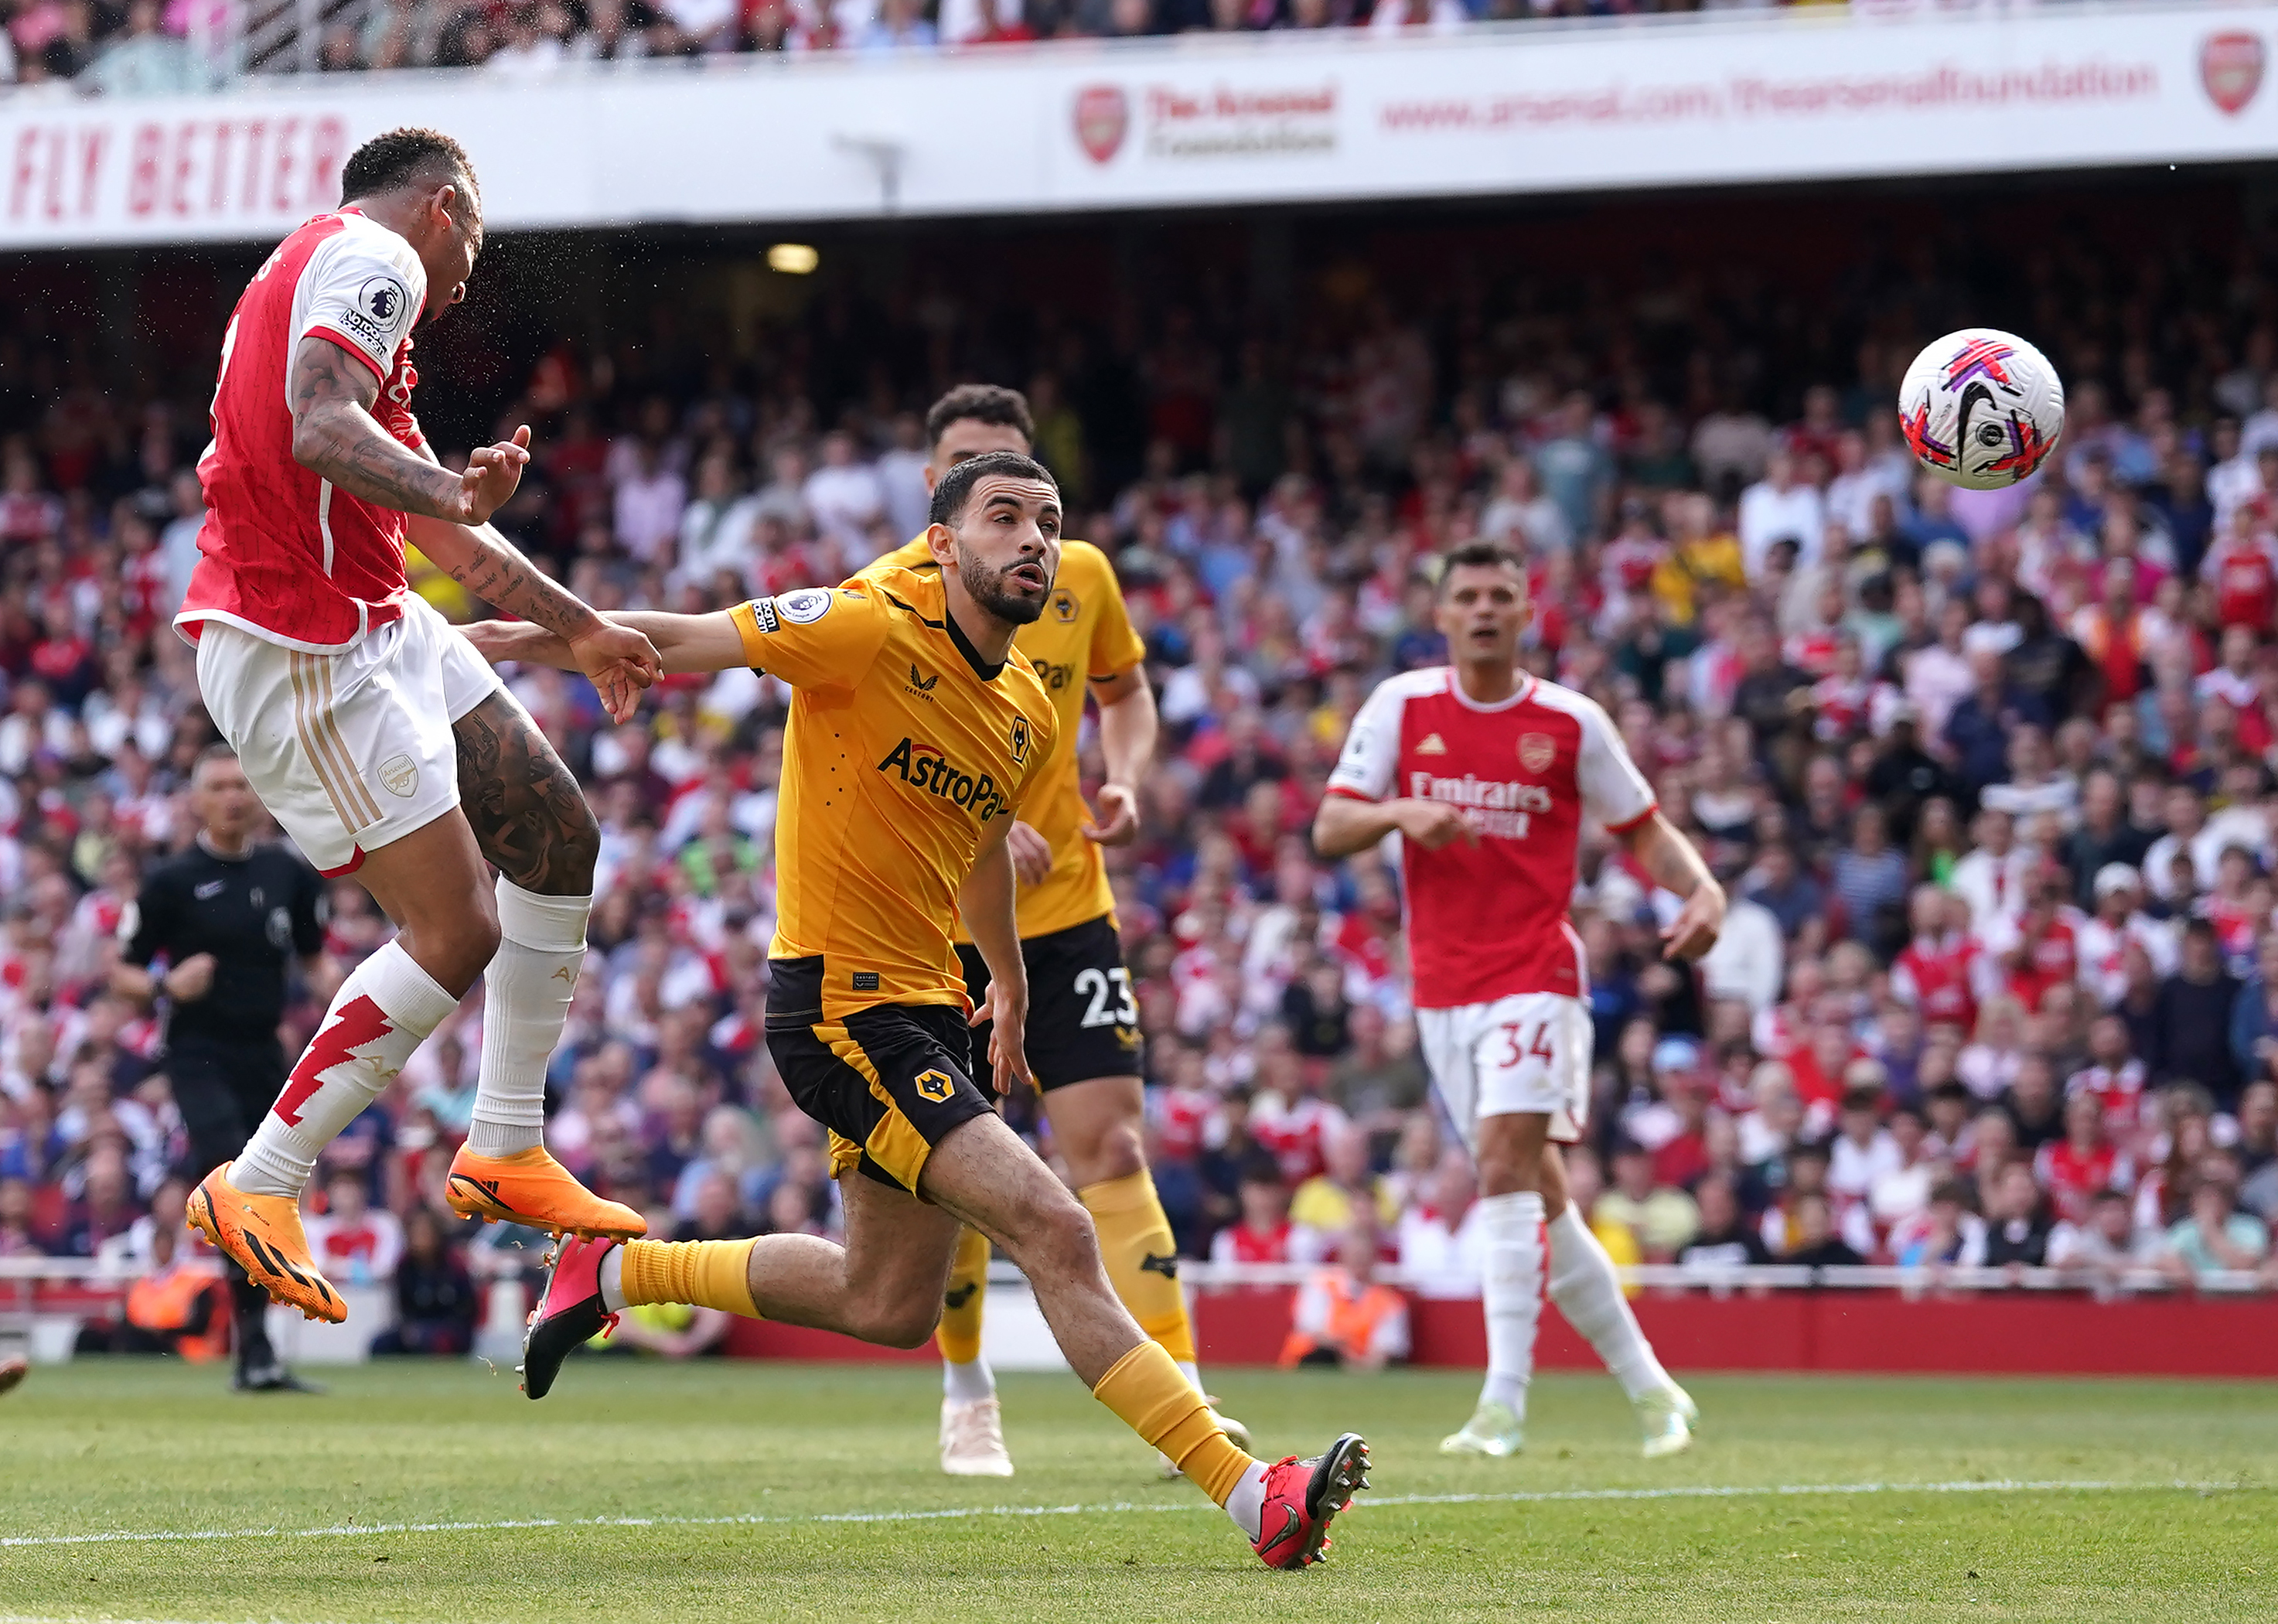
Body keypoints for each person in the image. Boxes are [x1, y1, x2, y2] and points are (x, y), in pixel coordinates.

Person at [479, 452, 1367, 1570]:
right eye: (1003, 518)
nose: (1033, 540)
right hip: (842, 1011)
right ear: (941, 543)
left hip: (931, 1007)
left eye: (1048, 521)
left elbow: (984, 845)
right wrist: (525, 639)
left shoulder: (1025, 712)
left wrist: (1009, 977)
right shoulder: (863, 625)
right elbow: (686, 634)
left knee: (886, 1301)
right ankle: (1253, 1496)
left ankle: (607, 1273)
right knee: (1055, 1227)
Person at [175, 126, 661, 1323]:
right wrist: (448, 489)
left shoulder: (325, 281)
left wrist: (581, 625)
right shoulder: (372, 262)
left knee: (556, 836)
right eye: (476, 246)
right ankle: (260, 1180)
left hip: (374, 621)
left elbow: (441, 532)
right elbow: (313, 423)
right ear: (443, 209)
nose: (466, 279)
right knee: (457, 927)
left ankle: (504, 1145)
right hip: (300, 645)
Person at [855, 384, 1242, 1478]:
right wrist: (977, 822)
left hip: (1068, 907)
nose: (1017, 519)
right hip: (936, 919)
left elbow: (1126, 693)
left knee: (1111, 1147)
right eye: (975, 476)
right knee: (970, 1173)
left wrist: (1123, 777)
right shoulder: (885, 597)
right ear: (937, 492)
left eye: (1026, 489)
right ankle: (965, 1389)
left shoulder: (1082, 579)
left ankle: (1185, 1400)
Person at [1311, 538, 1719, 1462]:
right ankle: (1656, 1394)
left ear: (1526, 612)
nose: (1486, 610)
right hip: (1441, 990)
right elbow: (1331, 824)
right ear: (1443, 613)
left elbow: (1645, 830)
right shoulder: (1402, 706)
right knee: (1544, 1198)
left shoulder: (1572, 723)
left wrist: (1703, 889)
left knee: (1500, 1169)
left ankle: (1501, 1406)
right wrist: (1398, 813)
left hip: (1537, 975)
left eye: (1502, 595)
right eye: (1469, 596)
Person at [111, 745, 329, 1390]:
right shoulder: (171, 881)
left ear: (259, 795)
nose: (234, 796)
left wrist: (367, 1002)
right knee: (237, 1174)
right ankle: (254, 1347)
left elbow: (315, 963)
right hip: (197, 1054)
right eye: (219, 786)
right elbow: (121, 970)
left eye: (243, 784)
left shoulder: (290, 874)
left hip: (267, 1052)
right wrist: (166, 986)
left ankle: (256, 1351)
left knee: (265, 1192)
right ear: (197, 800)